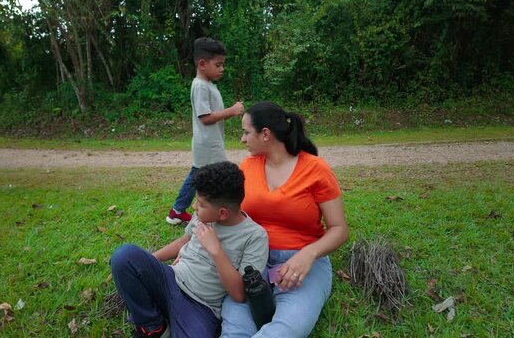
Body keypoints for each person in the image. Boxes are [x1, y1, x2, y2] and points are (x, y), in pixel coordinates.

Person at [220, 101, 350, 338]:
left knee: (284, 331)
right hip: (252, 260)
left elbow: (339, 229)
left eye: (246, 132)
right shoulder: (246, 168)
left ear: (266, 134)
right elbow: (223, 212)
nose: (242, 139)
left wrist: (307, 255)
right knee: (234, 329)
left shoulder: (315, 169)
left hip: (301, 265)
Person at [111, 161, 269, 338]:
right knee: (124, 256)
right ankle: (153, 327)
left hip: (201, 306)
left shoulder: (255, 237)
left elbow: (239, 294)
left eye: (200, 204)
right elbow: (182, 242)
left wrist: (215, 250)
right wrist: (146, 264)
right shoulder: (204, 215)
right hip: (171, 279)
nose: (194, 207)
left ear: (222, 213)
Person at [166, 37, 244, 225]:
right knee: (221, 176)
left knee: (198, 176)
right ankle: (219, 211)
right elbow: (205, 117)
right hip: (208, 143)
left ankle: (178, 211)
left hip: (210, 141)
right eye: (218, 65)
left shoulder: (207, 85)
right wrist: (231, 111)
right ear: (202, 64)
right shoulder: (200, 86)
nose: (222, 69)